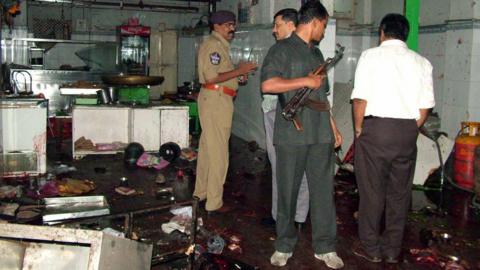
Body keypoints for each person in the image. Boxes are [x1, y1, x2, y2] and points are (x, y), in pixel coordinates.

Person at [261, 1, 343, 268]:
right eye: (324, 26)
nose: (324, 32)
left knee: (323, 192)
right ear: (315, 22)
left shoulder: (317, 55)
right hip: (291, 133)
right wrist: (304, 81)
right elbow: (268, 84)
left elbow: (322, 96)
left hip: (320, 133)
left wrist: (333, 127)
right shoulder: (281, 49)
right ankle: (284, 245)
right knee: (287, 191)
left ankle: (325, 246)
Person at [351, 13, 435, 264]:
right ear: (406, 34)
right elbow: (425, 107)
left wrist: (358, 129)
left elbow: (360, 99)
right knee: (399, 194)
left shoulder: (370, 57)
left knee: (371, 191)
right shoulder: (422, 62)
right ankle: (391, 249)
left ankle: (371, 247)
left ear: (382, 32)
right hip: (407, 132)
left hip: (375, 130)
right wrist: (409, 128)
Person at [194, 10, 257, 213]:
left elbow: (221, 75)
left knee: (207, 150)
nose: (233, 28)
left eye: (233, 24)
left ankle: (201, 193)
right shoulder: (213, 45)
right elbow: (211, 77)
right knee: (219, 152)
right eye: (229, 24)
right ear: (217, 26)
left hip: (215, 99)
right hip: (216, 101)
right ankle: (214, 202)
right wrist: (239, 70)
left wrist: (237, 77)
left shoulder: (220, 46)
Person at [261, 8, 310, 228]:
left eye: (277, 25)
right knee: (301, 167)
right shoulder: (309, 50)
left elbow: (270, 85)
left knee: (280, 166)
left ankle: (280, 217)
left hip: (280, 113)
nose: (274, 30)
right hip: (302, 116)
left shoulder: (281, 49)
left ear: (291, 24)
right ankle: (299, 216)